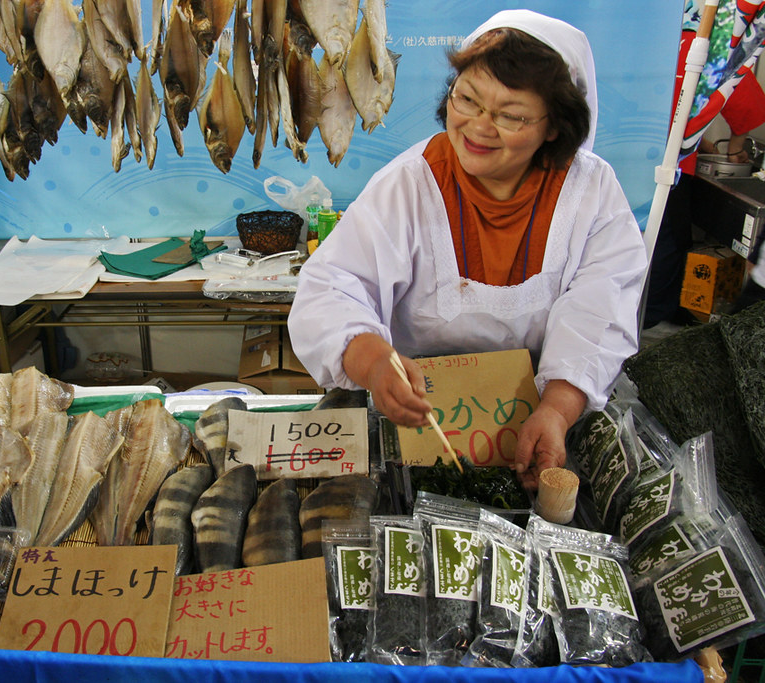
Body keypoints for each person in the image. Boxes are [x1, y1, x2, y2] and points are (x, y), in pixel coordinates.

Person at [288, 10, 647, 490]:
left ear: (554, 126)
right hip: (418, 427)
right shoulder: (410, 183)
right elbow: (332, 290)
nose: (479, 127)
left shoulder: (591, 191)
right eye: (468, 99)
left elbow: (600, 308)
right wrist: (375, 364)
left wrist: (557, 409)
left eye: (510, 115)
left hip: (537, 427)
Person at [644, 0, 765, 328]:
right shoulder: (704, 38)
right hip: (665, 165)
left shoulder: (647, 34)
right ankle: (655, 315)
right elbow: (736, 89)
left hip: (631, 151)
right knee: (668, 238)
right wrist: (738, 140)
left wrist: (705, 142)